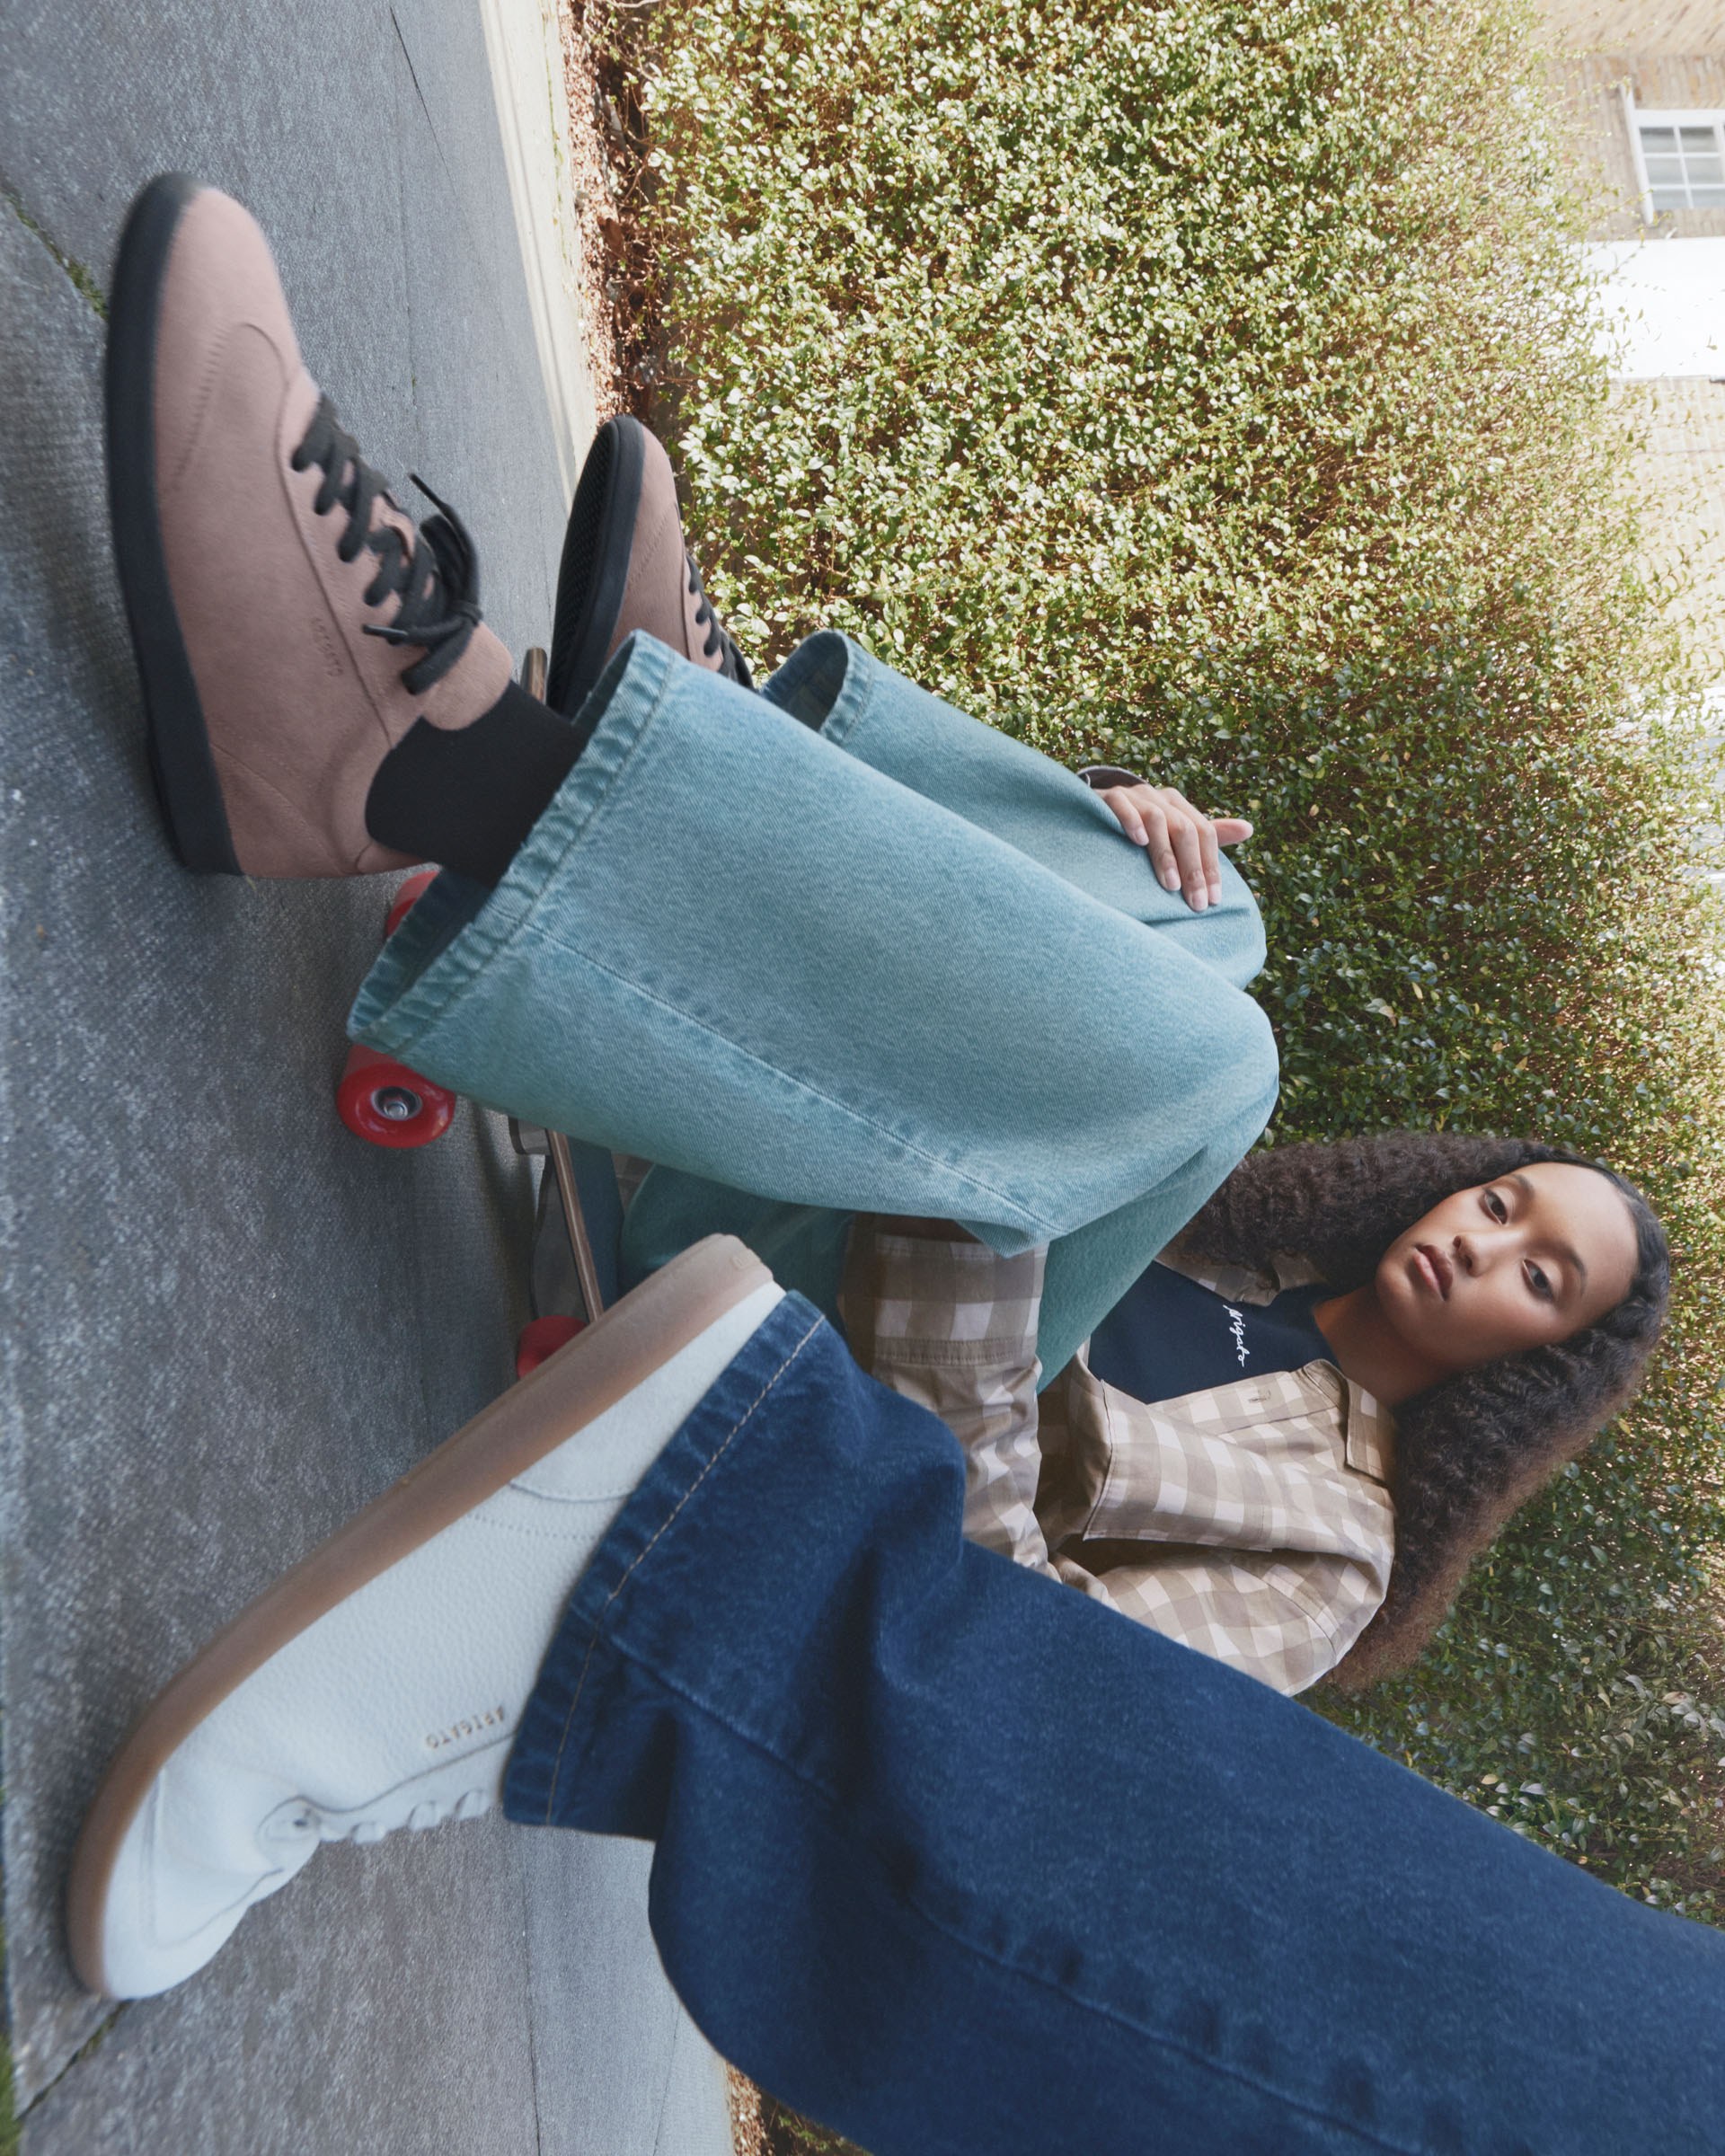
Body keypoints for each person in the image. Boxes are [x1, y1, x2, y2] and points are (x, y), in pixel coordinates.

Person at [74, 176, 1725, 2151]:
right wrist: (1087, 886)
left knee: (1201, 1050)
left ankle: (434, 762)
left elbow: (1038, 1684)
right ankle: (674, 740)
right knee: (1205, 927)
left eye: (1543, 1275)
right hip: (764, 1195)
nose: (1487, 1246)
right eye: (1505, 1201)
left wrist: (1001, 1210)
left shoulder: (1339, 1545)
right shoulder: (1245, 1250)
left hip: (805, 1414)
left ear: (1534, 1366)